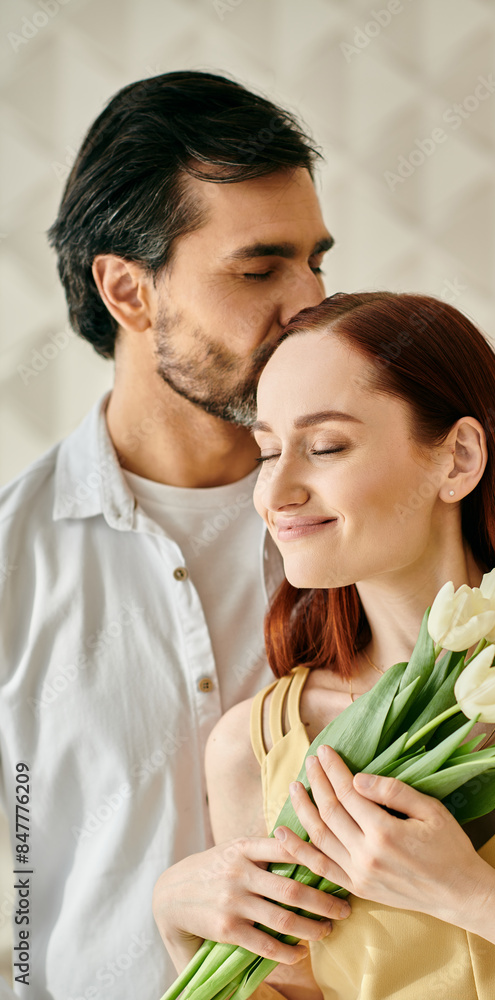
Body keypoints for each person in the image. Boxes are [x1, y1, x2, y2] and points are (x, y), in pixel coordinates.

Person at [157, 292, 495, 999]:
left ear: (456, 457)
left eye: (326, 446)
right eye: (268, 450)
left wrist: (470, 894)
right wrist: (181, 932)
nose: (276, 490)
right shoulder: (254, 746)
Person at [0, 70, 334, 997]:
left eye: (316, 260)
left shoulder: (374, 532)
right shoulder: (11, 568)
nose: (309, 302)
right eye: (259, 268)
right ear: (127, 289)